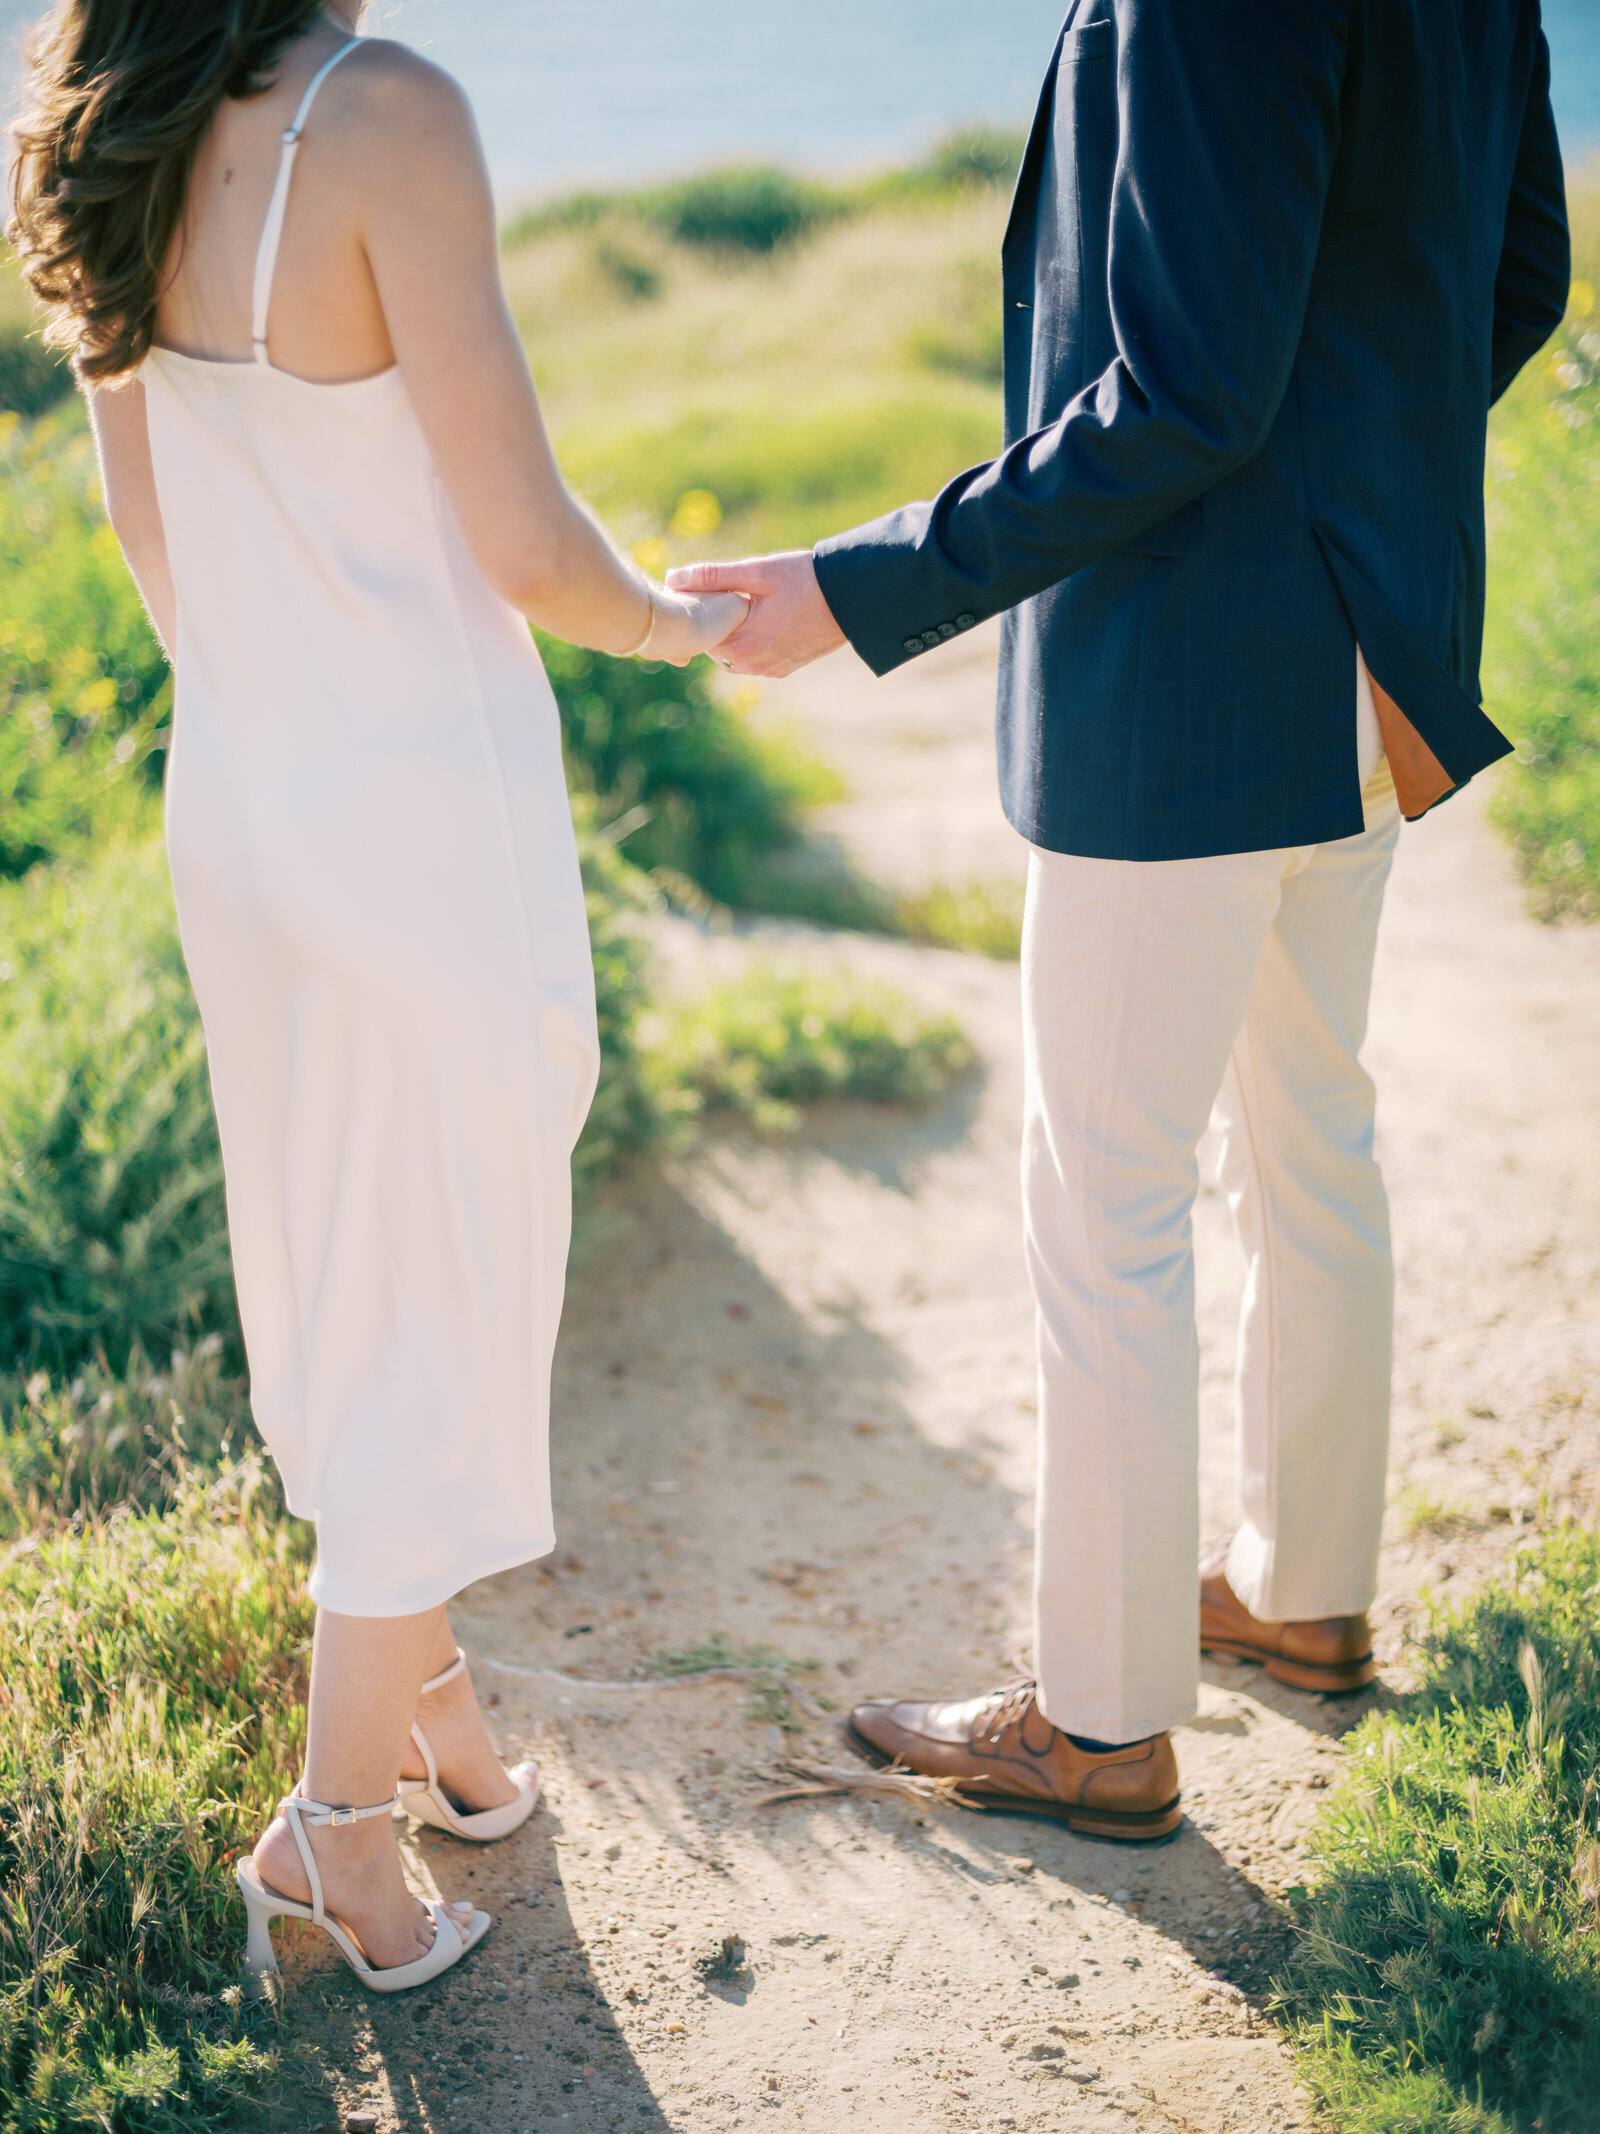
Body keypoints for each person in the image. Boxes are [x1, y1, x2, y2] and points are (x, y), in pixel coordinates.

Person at [673, 0, 1571, 1838]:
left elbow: (1180, 393)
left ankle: (1095, 1723)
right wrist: (1362, 479)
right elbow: (1523, 271)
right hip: (1372, 649)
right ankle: (1302, 1592)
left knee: (1110, 1201)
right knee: (1308, 1136)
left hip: (1193, 683)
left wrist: (856, 585)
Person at [8, 0, 744, 1984]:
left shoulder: (94, 114)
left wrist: (272, 715)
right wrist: (693, 628)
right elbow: (525, 541)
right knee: (447, 1269)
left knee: (341, 1249)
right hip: (423, 802)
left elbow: (148, 527)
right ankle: (334, 1833)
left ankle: (425, 1715)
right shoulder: (385, 110)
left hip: (242, 796)